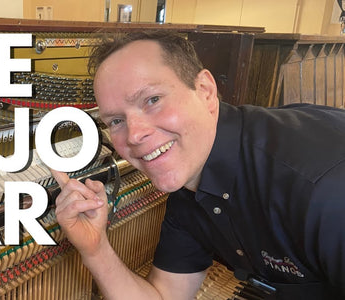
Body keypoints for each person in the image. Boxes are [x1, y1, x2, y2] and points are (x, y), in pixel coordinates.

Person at [51, 30, 345, 299]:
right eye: (116, 121)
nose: (135, 134)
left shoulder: (320, 188)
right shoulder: (191, 186)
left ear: (205, 90)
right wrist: (95, 248)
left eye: (152, 99)